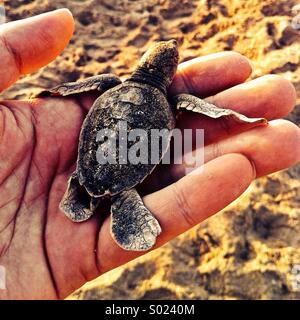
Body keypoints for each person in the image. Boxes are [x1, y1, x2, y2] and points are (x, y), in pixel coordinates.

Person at [0, 9, 299, 300]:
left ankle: (87, 188)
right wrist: (243, 119)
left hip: (90, 164)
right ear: (169, 72)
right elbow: (212, 111)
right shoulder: (173, 100)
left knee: (104, 177)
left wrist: (52, 91)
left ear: (142, 63)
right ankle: (123, 199)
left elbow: (75, 87)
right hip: (131, 167)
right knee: (134, 186)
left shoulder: (109, 84)